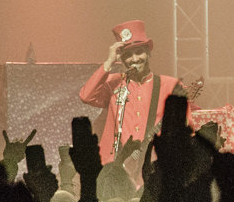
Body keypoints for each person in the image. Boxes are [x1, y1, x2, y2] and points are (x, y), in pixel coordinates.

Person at [79, 20, 185, 164]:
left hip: (154, 165)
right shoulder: (113, 83)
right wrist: (109, 62)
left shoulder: (170, 85)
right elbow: (86, 96)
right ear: (122, 58)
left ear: (148, 54)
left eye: (139, 52)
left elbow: (186, 126)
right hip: (117, 166)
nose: (134, 59)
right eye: (128, 54)